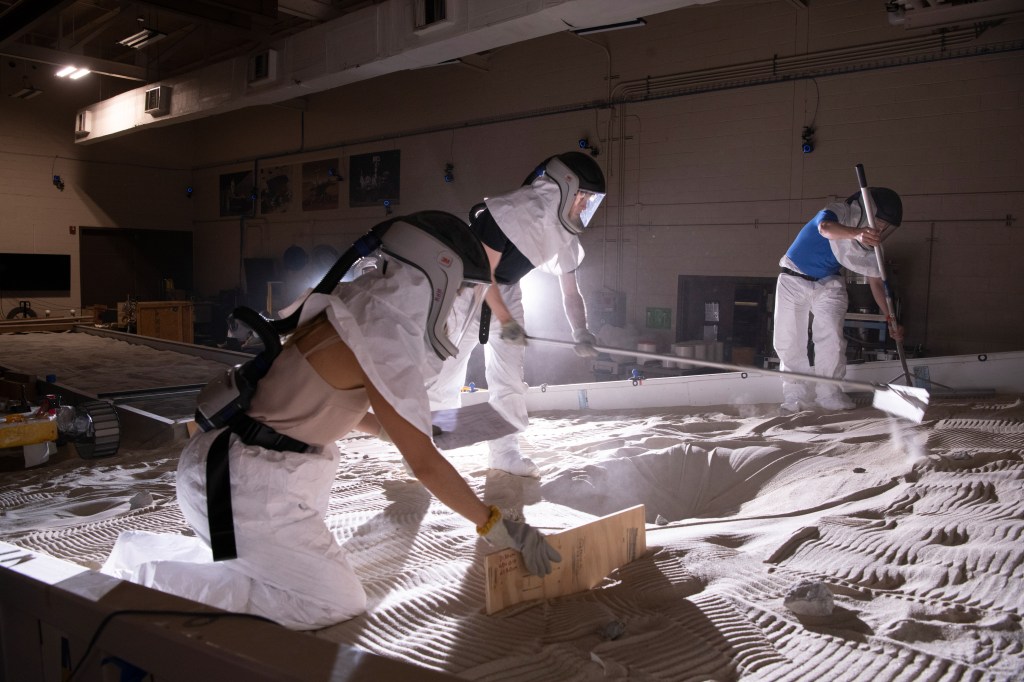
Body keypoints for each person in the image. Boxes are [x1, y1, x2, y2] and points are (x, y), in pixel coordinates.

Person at [102, 211, 561, 630]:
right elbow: (422, 465)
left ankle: (146, 556)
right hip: (241, 487)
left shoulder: (356, 302)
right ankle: (146, 579)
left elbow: (330, 402)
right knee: (332, 602)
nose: (464, 305)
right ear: (439, 276)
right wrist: (501, 528)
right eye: (465, 291)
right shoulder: (386, 333)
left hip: (231, 471)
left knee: (269, 570)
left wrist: (409, 429)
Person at [425, 152, 607, 477]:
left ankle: (505, 454)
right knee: (447, 376)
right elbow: (484, 274)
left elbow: (570, 291)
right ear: (564, 187)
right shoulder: (507, 212)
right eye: (584, 197)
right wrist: (506, 320)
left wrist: (581, 330)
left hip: (507, 290)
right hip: (465, 288)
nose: (585, 206)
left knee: (509, 378)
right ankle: (426, 448)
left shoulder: (563, 232)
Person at [773, 187, 905, 413]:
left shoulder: (871, 248)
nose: (881, 229)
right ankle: (796, 397)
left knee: (832, 339)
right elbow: (825, 229)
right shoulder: (838, 211)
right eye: (879, 222)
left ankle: (830, 394)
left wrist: (891, 319)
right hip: (793, 277)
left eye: (886, 227)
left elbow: (876, 284)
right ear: (866, 211)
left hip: (829, 282)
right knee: (790, 339)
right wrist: (855, 233)